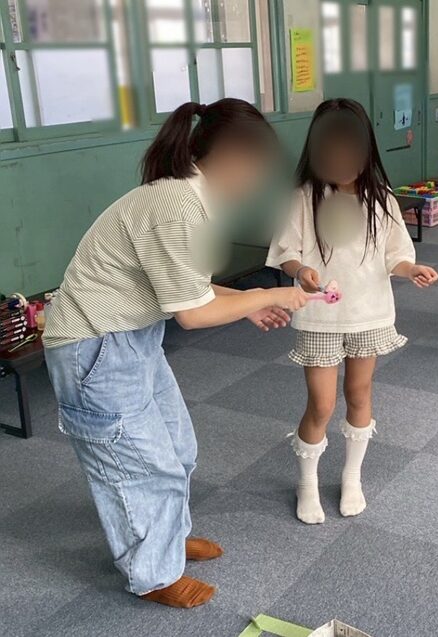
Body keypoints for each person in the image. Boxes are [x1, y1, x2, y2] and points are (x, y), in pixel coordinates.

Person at [43, 99, 307, 608]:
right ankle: (153, 574)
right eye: (257, 167)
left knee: (178, 450)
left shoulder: (188, 198)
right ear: (230, 156)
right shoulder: (176, 204)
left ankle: (165, 540)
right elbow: (192, 314)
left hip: (132, 337)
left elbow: (190, 287)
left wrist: (249, 303)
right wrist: (271, 294)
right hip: (94, 345)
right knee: (139, 466)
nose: (257, 181)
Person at [267, 98, 438, 525]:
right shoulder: (304, 198)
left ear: (366, 153)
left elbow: (395, 255)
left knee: (359, 395)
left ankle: (351, 476)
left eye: (350, 154)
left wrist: (411, 269)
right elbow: (286, 251)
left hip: (369, 314)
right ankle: (307, 483)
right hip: (320, 320)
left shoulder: (382, 199)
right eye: (332, 155)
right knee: (321, 405)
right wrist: (301, 270)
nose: (341, 164)